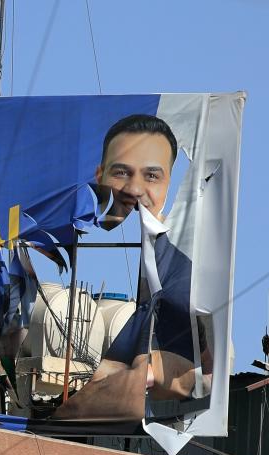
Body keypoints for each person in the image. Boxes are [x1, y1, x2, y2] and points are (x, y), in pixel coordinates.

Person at [53, 114, 211, 423]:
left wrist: (150, 375)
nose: (135, 189)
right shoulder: (40, 221)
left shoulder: (187, 275)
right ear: (99, 174)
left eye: (151, 176)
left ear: (169, 182)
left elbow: (211, 377)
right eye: (122, 173)